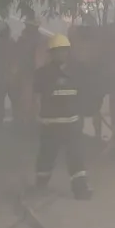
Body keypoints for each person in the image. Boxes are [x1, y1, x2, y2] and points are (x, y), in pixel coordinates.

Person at [31, 34, 92, 200]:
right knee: (47, 156)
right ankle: (41, 185)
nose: (62, 54)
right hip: (52, 124)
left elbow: (81, 96)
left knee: (74, 157)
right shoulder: (43, 73)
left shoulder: (76, 72)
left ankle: (80, 190)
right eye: (58, 51)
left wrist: (81, 116)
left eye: (64, 51)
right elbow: (36, 98)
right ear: (51, 53)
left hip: (69, 124)